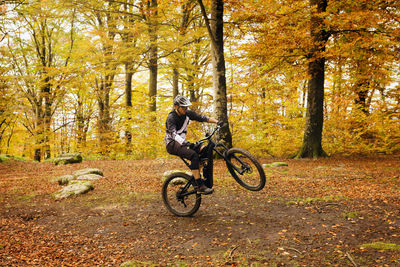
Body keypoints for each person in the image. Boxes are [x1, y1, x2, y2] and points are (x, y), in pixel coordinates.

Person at [165, 95, 219, 194]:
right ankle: (199, 185)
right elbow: (173, 134)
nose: (186, 109)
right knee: (193, 155)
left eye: (186, 107)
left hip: (182, 142)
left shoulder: (187, 114)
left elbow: (202, 118)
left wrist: (217, 122)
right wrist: (187, 144)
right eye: (183, 107)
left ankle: (197, 175)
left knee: (205, 150)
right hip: (172, 144)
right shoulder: (171, 118)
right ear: (176, 107)